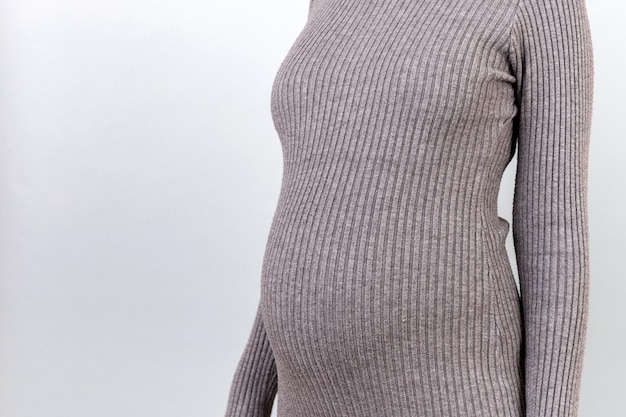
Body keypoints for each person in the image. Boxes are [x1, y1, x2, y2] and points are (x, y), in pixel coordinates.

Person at [224, 0, 594, 415]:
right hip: (306, 399)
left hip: (450, 391)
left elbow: (554, 242)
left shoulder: (537, 7)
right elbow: (312, 211)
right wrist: (249, 393)